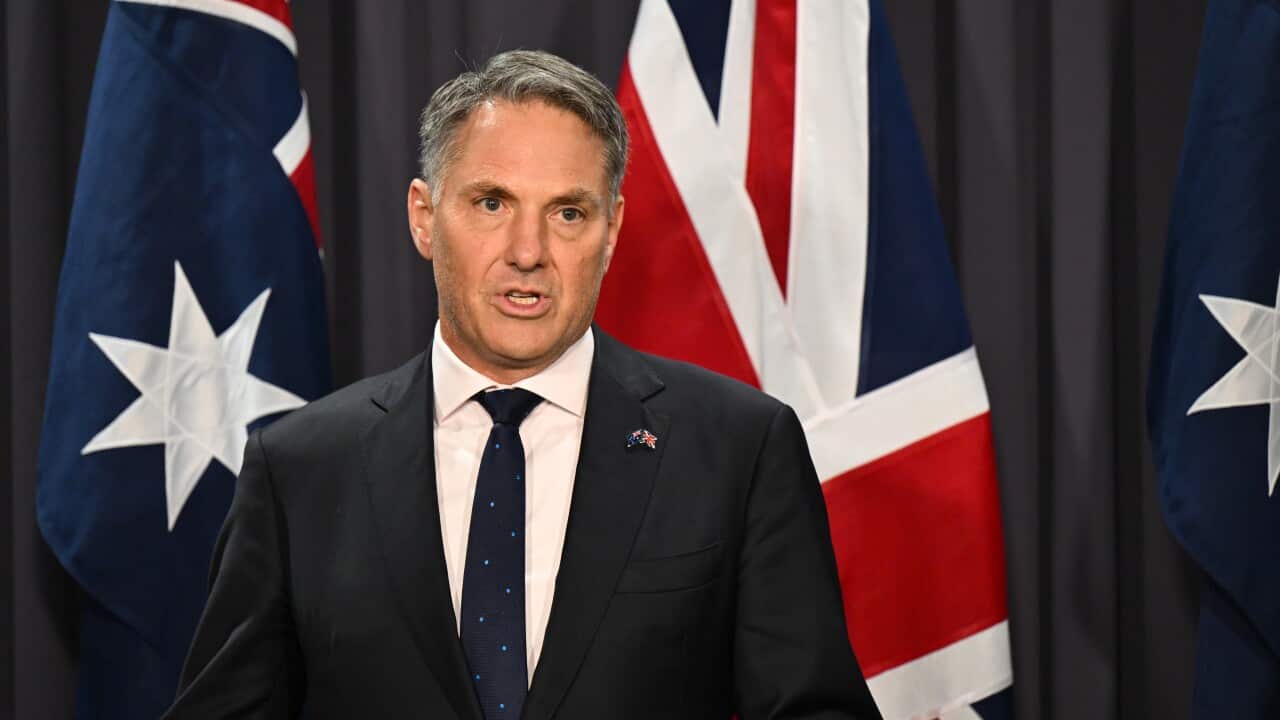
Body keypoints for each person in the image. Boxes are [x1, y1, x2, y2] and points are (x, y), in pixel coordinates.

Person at [165, 49, 881, 720]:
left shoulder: (738, 449)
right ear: (424, 216)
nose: (528, 253)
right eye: (491, 204)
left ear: (611, 229)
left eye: (568, 213)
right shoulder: (299, 470)